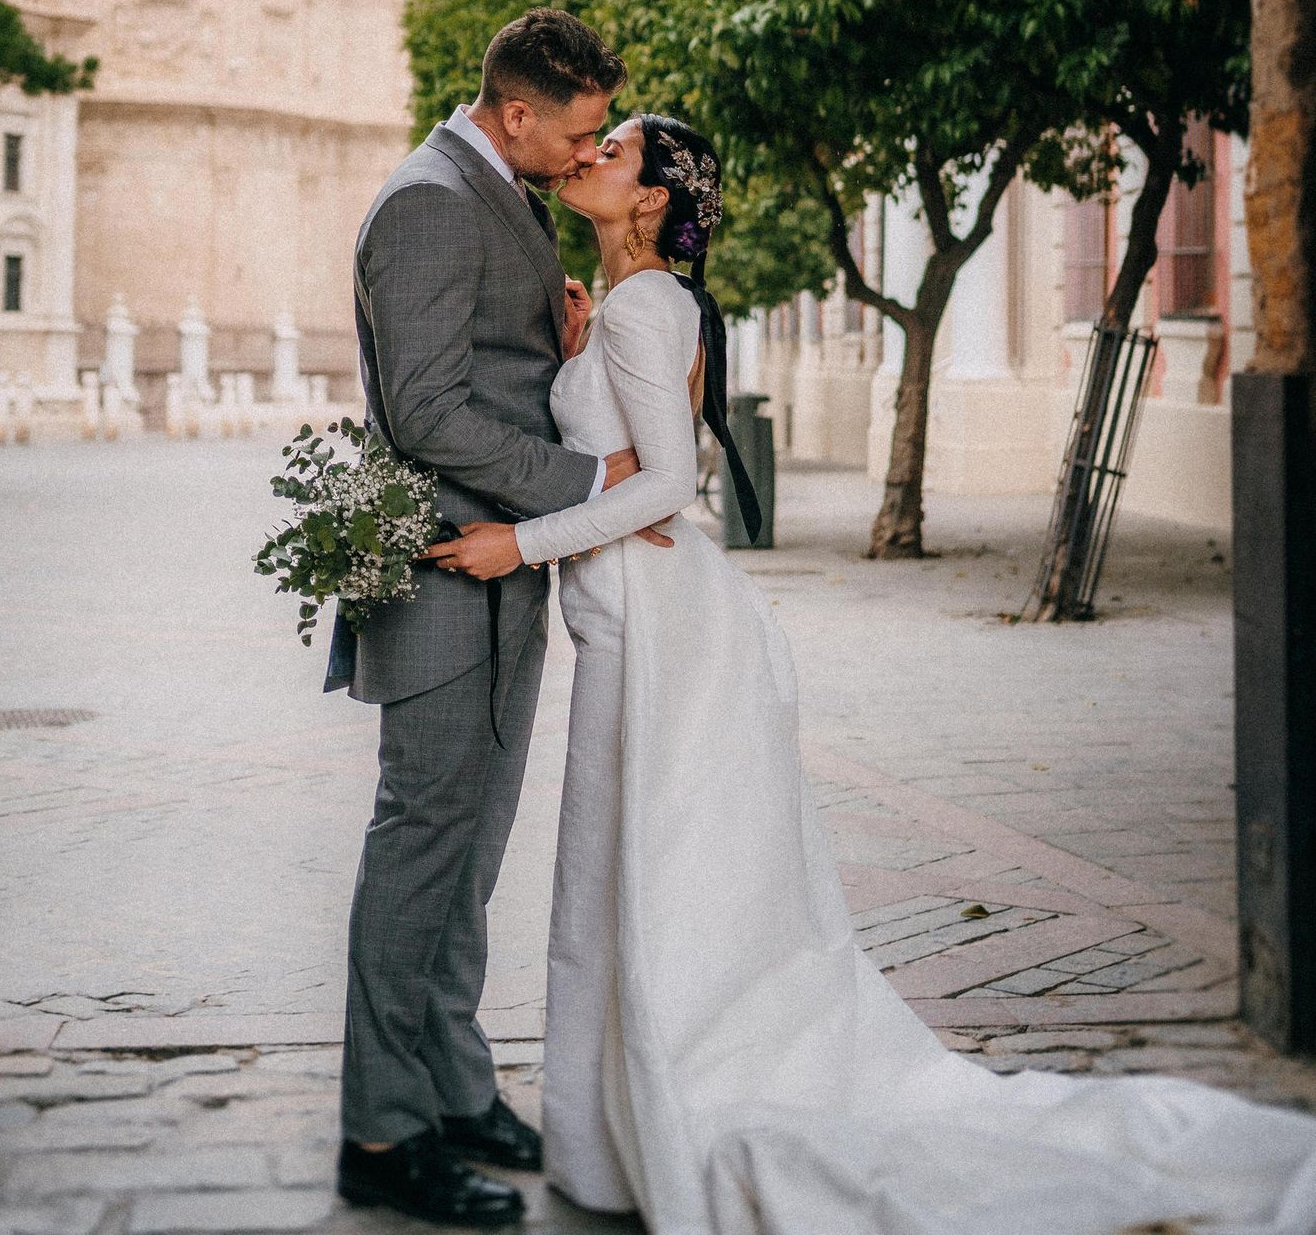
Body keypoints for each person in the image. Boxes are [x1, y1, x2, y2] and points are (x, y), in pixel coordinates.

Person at [429, 114, 1316, 1235]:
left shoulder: (650, 303)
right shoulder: (622, 304)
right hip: (629, 617)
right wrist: (575, 351)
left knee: (646, 872)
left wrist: (522, 542)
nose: (590, 153)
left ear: (652, 198)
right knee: (612, 869)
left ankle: (655, 1109)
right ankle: (607, 1132)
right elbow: (632, 445)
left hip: (666, 629)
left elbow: (669, 485)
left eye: (615, 149)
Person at [332, 9, 646, 1228]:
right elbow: (421, 413)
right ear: (517, 112)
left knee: (467, 854)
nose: (583, 154)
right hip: (436, 573)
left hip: (500, 571)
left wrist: (566, 351)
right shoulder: (426, 198)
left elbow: (495, 371)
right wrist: (589, 489)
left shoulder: (499, 184)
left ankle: (456, 1088)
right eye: (574, 131)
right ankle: (381, 1125)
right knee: (419, 848)